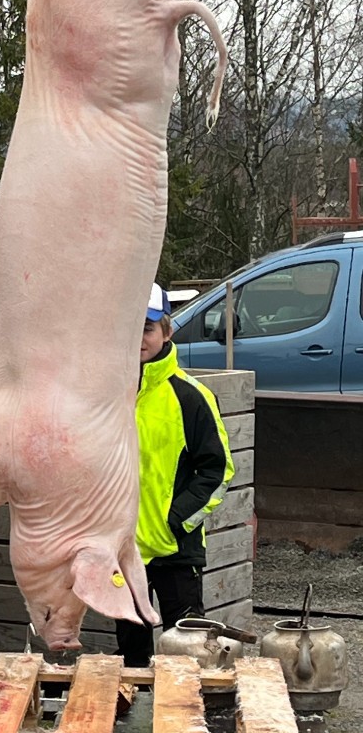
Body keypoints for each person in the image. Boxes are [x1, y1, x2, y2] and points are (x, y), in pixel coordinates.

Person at [115, 283, 235, 667]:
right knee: (131, 657)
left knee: (186, 654)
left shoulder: (191, 397)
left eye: (147, 328)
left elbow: (218, 470)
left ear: (167, 331)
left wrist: (176, 520)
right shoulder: (107, 396)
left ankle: (182, 709)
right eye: (129, 327)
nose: (138, 338)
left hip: (176, 553)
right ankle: (134, 709)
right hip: (124, 550)